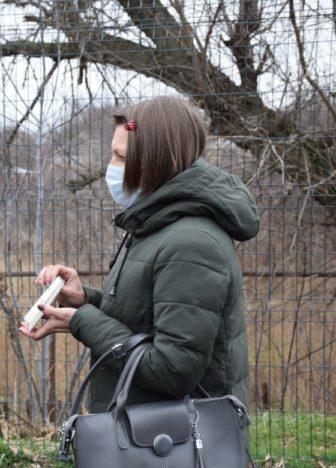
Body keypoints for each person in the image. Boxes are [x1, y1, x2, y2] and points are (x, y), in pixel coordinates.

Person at [20, 96, 259, 414]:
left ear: (156, 163)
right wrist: (86, 301)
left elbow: (171, 369)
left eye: (122, 158)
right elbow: (148, 319)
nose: (112, 168)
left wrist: (85, 321)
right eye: (113, 155)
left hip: (179, 450)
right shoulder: (159, 221)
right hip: (153, 439)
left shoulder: (191, 243)